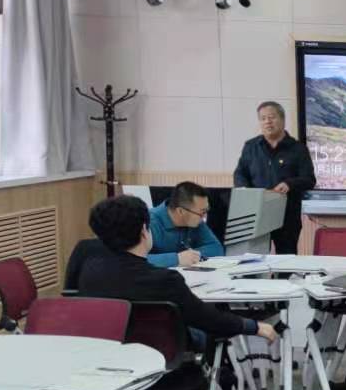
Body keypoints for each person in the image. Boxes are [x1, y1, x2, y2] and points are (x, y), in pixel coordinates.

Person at [77, 195, 278, 350]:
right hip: (164, 354)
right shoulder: (164, 280)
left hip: (107, 349)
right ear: (144, 231)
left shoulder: (89, 271)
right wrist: (254, 326)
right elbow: (208, 319)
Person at [233, 101, 316, 254]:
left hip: (287, 216)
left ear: (283, 120)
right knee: (254, 259)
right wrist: (246, 191)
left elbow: (309, 179)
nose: (267, 122)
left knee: (286, 259)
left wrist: (289, 184)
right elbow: (240, 173)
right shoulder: (251, 146)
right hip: (257, 213)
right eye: (263, 118)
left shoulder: (298, 149)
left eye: (271, 117)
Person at [147, 181, 224, 268]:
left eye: (206, 210)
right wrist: (177, 259)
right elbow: (135, 260)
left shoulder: (196, 221)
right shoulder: (148, 222)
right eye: (202, 212)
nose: (204, 217)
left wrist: (191, 255)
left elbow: (216, 248)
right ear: (180, 211)